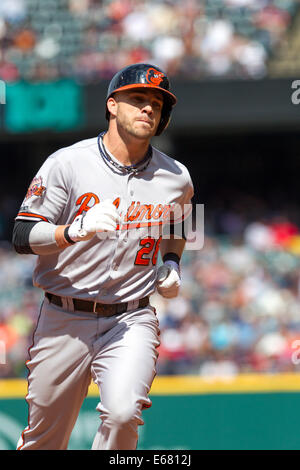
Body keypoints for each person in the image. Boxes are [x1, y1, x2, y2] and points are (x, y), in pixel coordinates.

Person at [12, 63, 194, 450]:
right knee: (46, 439)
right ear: (112, 105)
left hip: (131, 316)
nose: (148, 109)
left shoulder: (176, 177)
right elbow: (22, 234)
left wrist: (173, 262)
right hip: (63, 316)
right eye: (138, 99)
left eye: (157, 105)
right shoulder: (68, 163)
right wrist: (72, 231)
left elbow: (183, 222)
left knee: (123, 412)